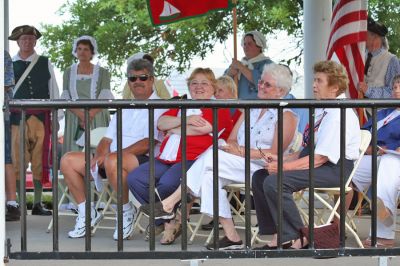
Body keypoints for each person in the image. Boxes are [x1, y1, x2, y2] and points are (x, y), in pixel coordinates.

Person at [140, 63, 299, 250]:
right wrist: (233, 149)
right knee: (209, 175)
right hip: (237, 163)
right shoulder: (250, 110)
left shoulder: (287, 115)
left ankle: (170, 203)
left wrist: (239, 151)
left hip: (262, 168)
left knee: (211, 157)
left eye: (267, 85)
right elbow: (231, 139)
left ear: (280, 91)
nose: (261, 87)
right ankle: (232, 237)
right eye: (261, 82)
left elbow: (273, 154)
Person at [251, 60, 361, 249]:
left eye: (319, 81)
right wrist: (281, 159)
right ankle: (280, 233)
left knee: (275, 181)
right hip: (320, 164)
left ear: (334, 87)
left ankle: (300, 235)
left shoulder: (337, 114)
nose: (313, 85)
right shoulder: (323, 109)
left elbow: (320, 158)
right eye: (314, 80)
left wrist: (283, 167)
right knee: (260, 176)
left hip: (335, 169)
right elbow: (307, 151)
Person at [60, 59, 164, 239]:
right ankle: (87, 213)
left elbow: (148, 143)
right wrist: (99, 156)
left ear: (152, 79)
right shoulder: (124, 107)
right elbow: (106, 139)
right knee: (68, 160)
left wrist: (112, 156)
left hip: (144, 162)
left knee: (113, 160)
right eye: (132, 78)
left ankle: (126, 212)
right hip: (112, 160)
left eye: (143, 77)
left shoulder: (161, 106)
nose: (137, 82)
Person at [128, 68, 233, 245]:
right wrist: (186, 120)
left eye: (204, 83)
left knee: (167, 183)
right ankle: (167, 220)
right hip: (166, 157)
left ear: (213, 87)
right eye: (194, 83)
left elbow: (204, 128)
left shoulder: (219, 108)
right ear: (189, 86)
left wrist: (174, 127)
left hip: (194, 158)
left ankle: (168, 223)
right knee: (135, 178)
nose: (199, 87)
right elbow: (161, 123)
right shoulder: (180, 105)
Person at [8, 25, 63, 216]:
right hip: (16, 118)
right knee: (17, 161)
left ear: (35, 41)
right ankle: (18, 204)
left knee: (40, 161)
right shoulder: (8, 63)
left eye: (31, 39)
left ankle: (38, 203)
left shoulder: (45, 62)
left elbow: (53, 88)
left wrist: (57, 115)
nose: (27, 42)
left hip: (41, 117)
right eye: (24, 39)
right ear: (17, 41)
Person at [351, 74, 400, 248]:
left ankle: (384, 233)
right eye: (394, 87)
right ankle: (336, 225)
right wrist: (367, 148)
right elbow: (362, 133)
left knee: (388, 163)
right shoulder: (384, 112)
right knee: (347, 168)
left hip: (394, 160)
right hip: (374, 156)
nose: (396, 91)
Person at [61, 36, 114, 154]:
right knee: (75, 152)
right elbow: (65, 96)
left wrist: (89, 115)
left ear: (92, 52)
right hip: (74, 116)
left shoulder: (103, 72)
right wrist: (80, 114)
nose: (82, 52)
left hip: (96, 116)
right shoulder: (68, 72)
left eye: (86, 49)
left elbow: (105, 97)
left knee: (96, 148)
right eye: (79, 49)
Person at [358, 17, 400, 99]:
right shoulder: (359, 57)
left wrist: (368, 90)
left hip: (380, 111)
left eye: (364, 34)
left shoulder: (391, 60)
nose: (360, 37)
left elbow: (393, 91)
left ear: (375, 37)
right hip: (358, 110)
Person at [226, 30, 273, 99]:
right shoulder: (237, 64)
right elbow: (220, 84)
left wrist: (241, 67)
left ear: (259, 46)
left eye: (249, 44)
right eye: (244, 44)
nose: (246, 46)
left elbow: (266, 84)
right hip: (236, 107)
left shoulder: (268, 64)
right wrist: (229, 74)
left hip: (257, 107)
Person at [4, 50, 20, 221]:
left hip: (2, 114)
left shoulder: (3, 55)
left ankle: (12, 203)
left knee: (5, 158)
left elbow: (6, 84)